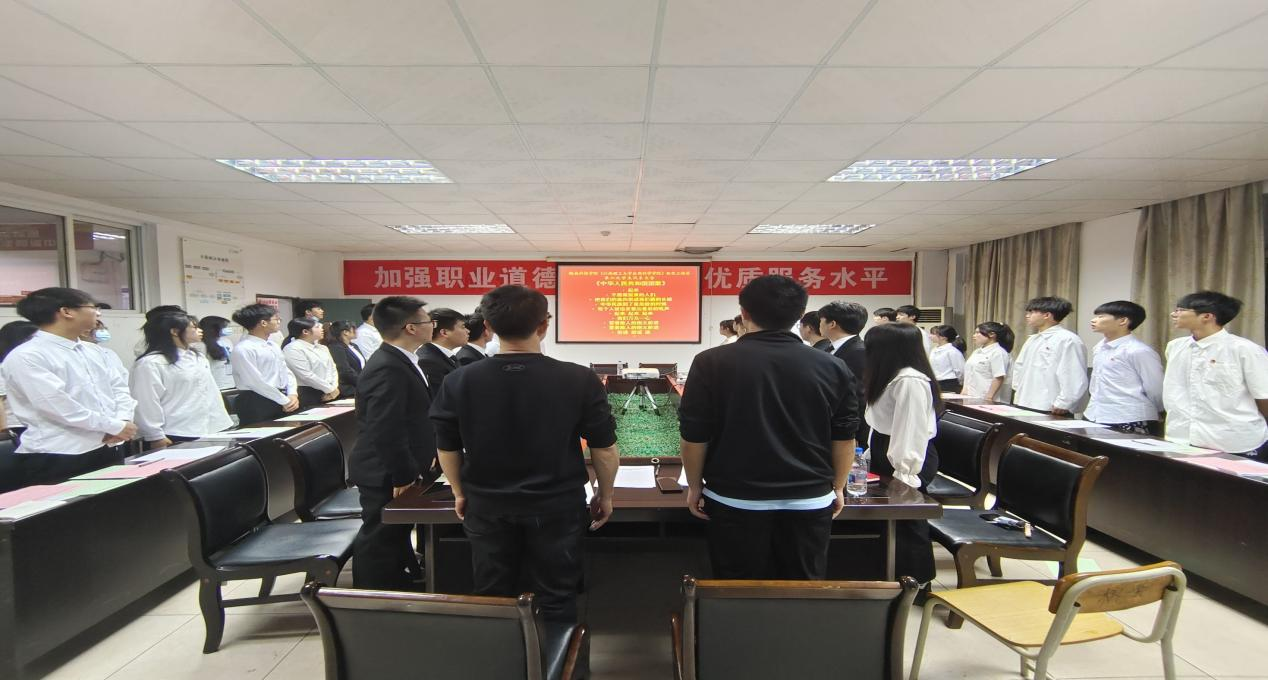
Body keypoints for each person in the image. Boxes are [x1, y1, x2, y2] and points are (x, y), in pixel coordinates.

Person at [432, 285, 620, 622]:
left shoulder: (459, 380)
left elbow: (447, 446)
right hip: (557, 504)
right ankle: (560, 653)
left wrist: (459, 492)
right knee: (557, 594)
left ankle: (499, 652)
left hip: (487, 504)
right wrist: (605, 495)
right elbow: (603, 448)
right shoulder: (578, 378)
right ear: (544, 325)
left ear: (488, 326)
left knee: (492, 593)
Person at [680, 276, 859, 580]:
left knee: (736, 586)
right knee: (803, 586)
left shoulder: (711, 362)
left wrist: (695, 486)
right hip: (809, 498)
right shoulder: (831, 365)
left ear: (744, 313)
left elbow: (694, 435)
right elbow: (843, 436)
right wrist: (838, 487)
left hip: (734, 497)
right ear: (800, 315)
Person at [0, 288, 137, 485]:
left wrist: (123, 420)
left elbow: (119, 388)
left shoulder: (96, 352)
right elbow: (57, 406)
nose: (98, 313)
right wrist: (114, 426)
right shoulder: (27, 356)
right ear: (66, 312)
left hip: (108, 445)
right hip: (59, 453)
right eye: (93, 307)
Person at [348, 296, 437, 590]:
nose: (433, 326)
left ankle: (397, 585)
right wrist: (402, 474)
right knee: (380, 537)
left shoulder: (402, 359)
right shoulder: (388, 366)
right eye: (429, 321)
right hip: (384, 469)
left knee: (394, 534)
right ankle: (370, 599)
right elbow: (386, 427)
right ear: (411, 327)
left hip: (398, 464)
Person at [862, 323, 941, 587]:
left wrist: (905, 473)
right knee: (892, 519)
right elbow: (881, 424)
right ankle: (891, 576)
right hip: (888, 449)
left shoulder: (910, 380)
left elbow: (911, 429)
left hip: (907, 454)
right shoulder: (890, 375)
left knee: (908, 518)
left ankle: (917, 582)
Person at [1163, 291, 1268, 457]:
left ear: (1207, 316)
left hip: (1232, 440)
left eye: (1180, 310)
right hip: (1181, 436)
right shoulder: (1175, 346)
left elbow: (1264, 395)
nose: (1174, 314)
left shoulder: (1244, 349)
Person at [131, 313, 233, 449]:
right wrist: (155, 435)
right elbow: (146, 402)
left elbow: (209, 392)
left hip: (209, 427)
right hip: (176, 431)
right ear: (174, 331)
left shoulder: (198, 357)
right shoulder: (151, 363)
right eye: (193, 327)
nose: (199, 330)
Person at [1085, 301, 1164, 435]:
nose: (1094, 320)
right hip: (1095, 414)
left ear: (1123, 321)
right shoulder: (1099, 347)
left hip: (1129, 417)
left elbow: (1155, 388)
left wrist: (1159, 410)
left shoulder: (1138, 350)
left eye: (1101, 316)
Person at [1013, 297, 1088, 415]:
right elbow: (1019, 366)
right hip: (1025, 400)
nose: (1027, 316)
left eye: (1032, 312)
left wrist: (1064, 402)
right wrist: (1018, 389)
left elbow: (1073, 373)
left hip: (1050, 406)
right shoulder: (1032, 339)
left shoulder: (1067, 339)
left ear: (1047, 315)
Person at [230, 304, 299, 426]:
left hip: (281, 397)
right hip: (257, 400)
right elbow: (255, 382)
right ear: (263, 323)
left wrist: (292, 393)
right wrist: (284, 400)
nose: (279, 321)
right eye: (276, 319)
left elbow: (285, 371)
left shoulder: (273, 345)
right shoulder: (244, 348)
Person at [818, 300, 869, 444]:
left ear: (832, 324)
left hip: (849, 431)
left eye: (821, 320)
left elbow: (857, 396)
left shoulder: (859, 351)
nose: (819, 324)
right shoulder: (829, 348)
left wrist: (852, 433)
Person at [282, 317, 340, 408]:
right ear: (305, 332)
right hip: (308, 393)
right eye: (317, 327)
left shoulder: (322, 347)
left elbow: (333, 368)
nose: (321, 329)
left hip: (330, 392)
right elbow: (306, 375)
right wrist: (330, 389)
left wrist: (334, 387)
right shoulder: (292, 348)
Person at [417, 308, 468, 397]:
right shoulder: (428, 361)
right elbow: (440, 399)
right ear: (444, 332)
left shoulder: (446, 356)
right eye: (463, 327)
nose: (468, 331)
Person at [961, 322, 1014, 401]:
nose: (974, 336)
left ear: (992, 334)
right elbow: (969, 374)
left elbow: (998, 377)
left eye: (977, 333)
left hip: (988, 399)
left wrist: (989, 397)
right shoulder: (976, 352)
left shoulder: (998, 352)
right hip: (971, 396)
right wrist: (964, 392)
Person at [0, 320, 38, 429]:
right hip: (15, 427)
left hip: (36, 426)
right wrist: (3, 431)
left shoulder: (31, 366)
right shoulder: (4, 367)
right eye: (33, 339)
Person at [325, 320, 365, 398]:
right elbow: (344, 370)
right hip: (348, 389)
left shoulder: (354, 346)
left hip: (360, 385)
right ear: (345, 332)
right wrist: (363, 382)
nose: (356, 331)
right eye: (353, 328)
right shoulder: (336, 347)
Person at [195, 315, 235, 390]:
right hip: (214, 385)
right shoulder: (200, 346)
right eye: (225, 327)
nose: (228, 329)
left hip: (231, 383)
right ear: (214, 329)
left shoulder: (227, 341)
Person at [928, 325, 966, 393]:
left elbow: (960, 371)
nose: (930, 336)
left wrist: (959, 383)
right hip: (935, 382)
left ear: (944, 337)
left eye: (934, 334)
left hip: (948, 383)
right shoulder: (934, 350)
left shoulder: (952, 351)